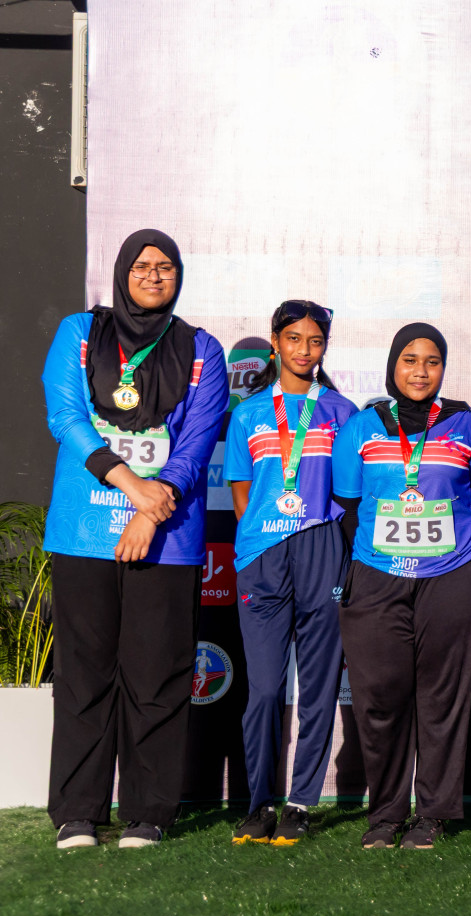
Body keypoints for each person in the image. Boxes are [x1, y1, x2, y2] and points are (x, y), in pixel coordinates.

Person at [43, 229, 229, 849]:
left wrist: (152, 511)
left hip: (167, 538)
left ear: (179, 276)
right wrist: (133, 488)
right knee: (82, 675)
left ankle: (149, 812)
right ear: (122, 271)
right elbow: (65, 416)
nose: (154, 275)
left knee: (157, 675)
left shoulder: (202, 349)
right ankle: (77, 813)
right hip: (83, 531)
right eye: (143, 265)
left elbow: (198, 441)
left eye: (167, 266)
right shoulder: (78, 333)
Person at [331, 324, 471, 850]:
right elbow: (350, 510)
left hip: (449, 579)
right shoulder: (361, 428)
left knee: (441, 698)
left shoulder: (470, 428)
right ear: (392, 365)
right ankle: (384, 815)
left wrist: (454, 563)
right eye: (410, 360)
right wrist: (389, 556)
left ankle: (432, 813)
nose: (421, 371)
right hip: (376, 577)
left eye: (432, 361)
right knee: (379, 697)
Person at [225, 300, 357, 845]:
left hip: (321, 545)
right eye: (294, 339)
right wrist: (265, 533)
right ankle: (259, 802)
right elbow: (240, 491)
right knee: (263, 689)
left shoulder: (342, 411)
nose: (305, 350)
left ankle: (300, 803)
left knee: (319, 687)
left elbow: (351, 492)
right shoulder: (248, 414)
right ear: (274, 343)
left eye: (315, 341)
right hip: (262, 555)